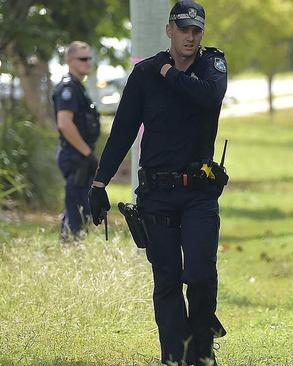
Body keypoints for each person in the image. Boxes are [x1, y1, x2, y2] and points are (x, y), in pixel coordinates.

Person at [88, 1, 227, 364]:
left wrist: (169, 73)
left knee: (199, 273)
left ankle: (201, 347)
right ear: (170, 30)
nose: (191, 37)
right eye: (184, 29)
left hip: (198, 192)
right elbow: (123, 131)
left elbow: (209, 98)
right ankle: (175, 356)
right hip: (157, 194)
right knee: (166, 280)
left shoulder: (212, 66)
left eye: (197, 30)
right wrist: (100, 183)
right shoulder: (145, 73)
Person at [52, 41, 101, 241]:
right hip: (75, 155)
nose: (88, 62)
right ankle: (71, 246)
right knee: (77, 206)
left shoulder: (78, 88)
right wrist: (87, 153)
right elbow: (64, 124)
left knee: (81, 204)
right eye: (83, 59)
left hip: (79, 154)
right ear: (70, 61)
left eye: (89, 58)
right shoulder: (68, 88)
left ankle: (73, 244)